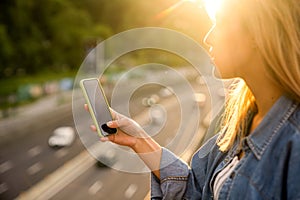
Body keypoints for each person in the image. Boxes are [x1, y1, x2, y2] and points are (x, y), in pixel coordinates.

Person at [85, 0, 300, 199]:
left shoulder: (295, 143)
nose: (208, 37)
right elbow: (195, 190)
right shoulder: (242, 121)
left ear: (257, 33)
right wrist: (138, 139)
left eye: (219, 24)